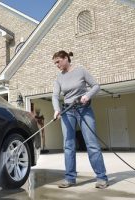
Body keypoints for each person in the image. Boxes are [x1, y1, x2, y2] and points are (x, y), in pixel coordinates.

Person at [51, 50, 108, 189]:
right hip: (67, 111)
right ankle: (70, 178)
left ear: (65, 58)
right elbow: (55, 95)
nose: (57, 65)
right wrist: (57, 109)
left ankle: (101, 178)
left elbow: (96, 86)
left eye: (58, 62)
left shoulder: (81, 71)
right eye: (55, 63)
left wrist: (87, 96)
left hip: (84, 109)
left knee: (91, 143)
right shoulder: (59, 77)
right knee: (68, 145)